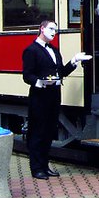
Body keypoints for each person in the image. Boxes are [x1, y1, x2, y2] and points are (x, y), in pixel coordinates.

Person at [22, 20, 91, 180]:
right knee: (38, 132)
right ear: (42, 29)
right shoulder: (31, 50)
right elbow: (27, 75)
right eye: (51, 29)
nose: (54, 32)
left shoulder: (54, 50)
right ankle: (36, 168)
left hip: (54, 96)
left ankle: (44, 166)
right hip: (39, 97)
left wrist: (74, 61)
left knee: (48, 132)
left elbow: (61, 72)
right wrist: (39, 82)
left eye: (56, 30)